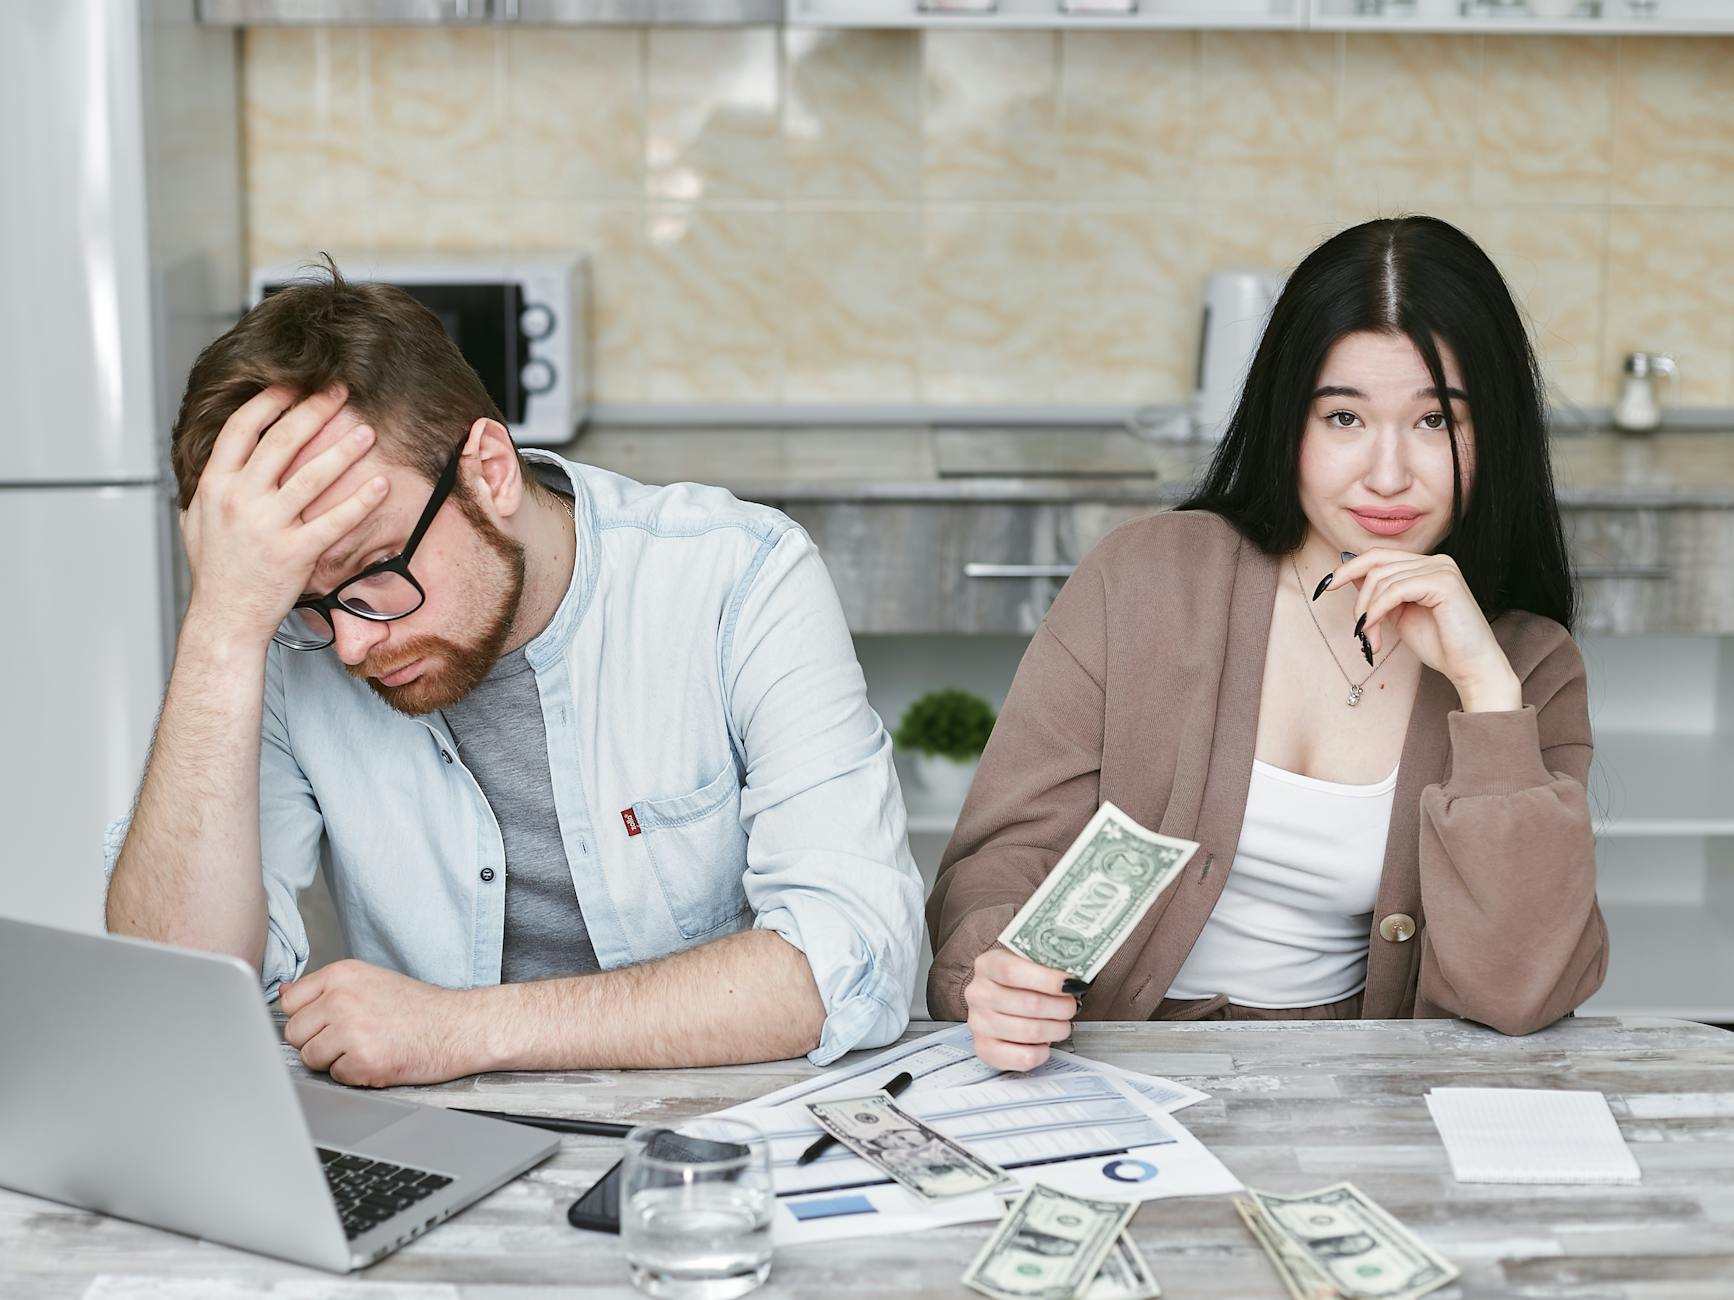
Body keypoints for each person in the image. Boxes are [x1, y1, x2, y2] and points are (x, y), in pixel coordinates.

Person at [105, 264, 922, 1085]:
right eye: (308, 602)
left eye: (374, 572)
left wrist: (460, 1030)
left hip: (718, 1148)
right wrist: (222, 622)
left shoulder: (736, 578)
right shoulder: (286, 640)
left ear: (488, 473)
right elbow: (174, 998)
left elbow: (850, 957)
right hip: (441, 1150)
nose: (349, 645)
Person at [927, 216, 1607, 1070]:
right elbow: (1005, 857)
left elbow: (1523, 996)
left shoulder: (1526, 664)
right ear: (1288, 422)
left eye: (1435, 422)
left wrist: (1486, 694)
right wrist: (997, 968)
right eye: (1345, 418)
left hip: (1363, 1088)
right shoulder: (1144, 579)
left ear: (1494, 434)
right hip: (1107, 1062)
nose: (1389, 474)